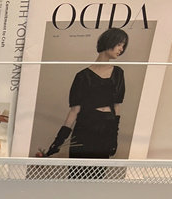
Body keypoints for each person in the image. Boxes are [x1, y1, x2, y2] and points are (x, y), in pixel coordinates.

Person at [38, 28, 128, 159]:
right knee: (77, 170)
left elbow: (116, 107)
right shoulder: (82, 76)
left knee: (98, 171)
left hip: (105, 130)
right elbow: (74, 111)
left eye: (123, 46)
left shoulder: (118, 73)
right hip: (84, 130)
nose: (121, 49)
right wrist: (58, 141)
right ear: (109, 41)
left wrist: (114, 136)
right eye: (119, 44)